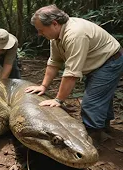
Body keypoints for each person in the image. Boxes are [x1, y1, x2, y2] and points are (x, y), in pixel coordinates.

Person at [25, 5, 123, 142]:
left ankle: (92, 138)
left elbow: (71, 73)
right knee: (100, 96)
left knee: (91, 103)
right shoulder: (56, 37)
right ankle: (103, 127)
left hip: (109, 61)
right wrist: (43, 86)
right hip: (96, 62)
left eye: (41, 30)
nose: (39, 34)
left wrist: (58, 100)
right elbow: (54, 62)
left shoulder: (75, 34)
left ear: (54, 24)